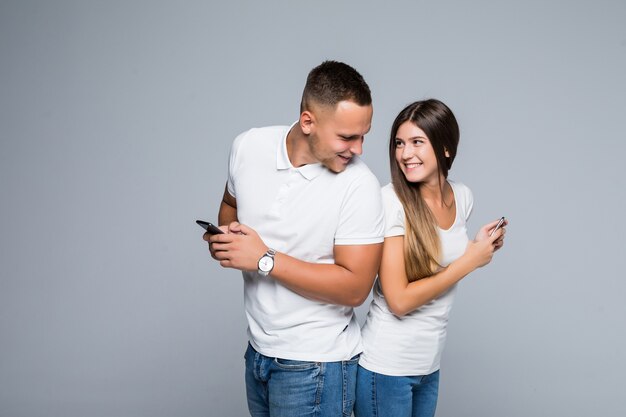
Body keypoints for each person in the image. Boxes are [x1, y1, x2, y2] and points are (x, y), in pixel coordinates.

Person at [203, 61, 385, 417]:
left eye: (363, 135)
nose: (359, 149)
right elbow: (230, 205)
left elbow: (355, 288)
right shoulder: (248, 147)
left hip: (317, 366)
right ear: (307, 122)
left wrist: (263, 258)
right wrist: (225, 241)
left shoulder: (359, 186)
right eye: (347, 137)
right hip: (258, 353)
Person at [354, 99, 507, 417]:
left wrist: (477, 247)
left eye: (417, 142)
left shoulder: (462, 197)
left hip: (429, 366)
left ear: (446, 148)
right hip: (387, 368)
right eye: (399, 143)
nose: (405, 154)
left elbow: (440, 262)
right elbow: (399, 300)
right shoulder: (390, 201)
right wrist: (470, 261)